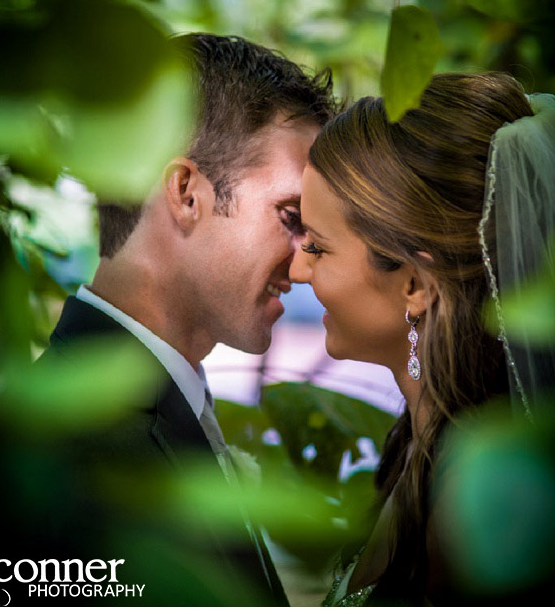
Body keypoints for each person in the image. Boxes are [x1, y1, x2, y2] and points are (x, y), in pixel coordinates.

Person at [37, 34, 338, 606]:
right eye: (291, 215)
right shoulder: (77, 457)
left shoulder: (154, 402)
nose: (304, 264)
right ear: (185, 193)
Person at [289, 72, 554, 606]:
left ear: (414, 284)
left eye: (317, 247)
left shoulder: (473, 513)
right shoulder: (419, 444)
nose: (296, 269)